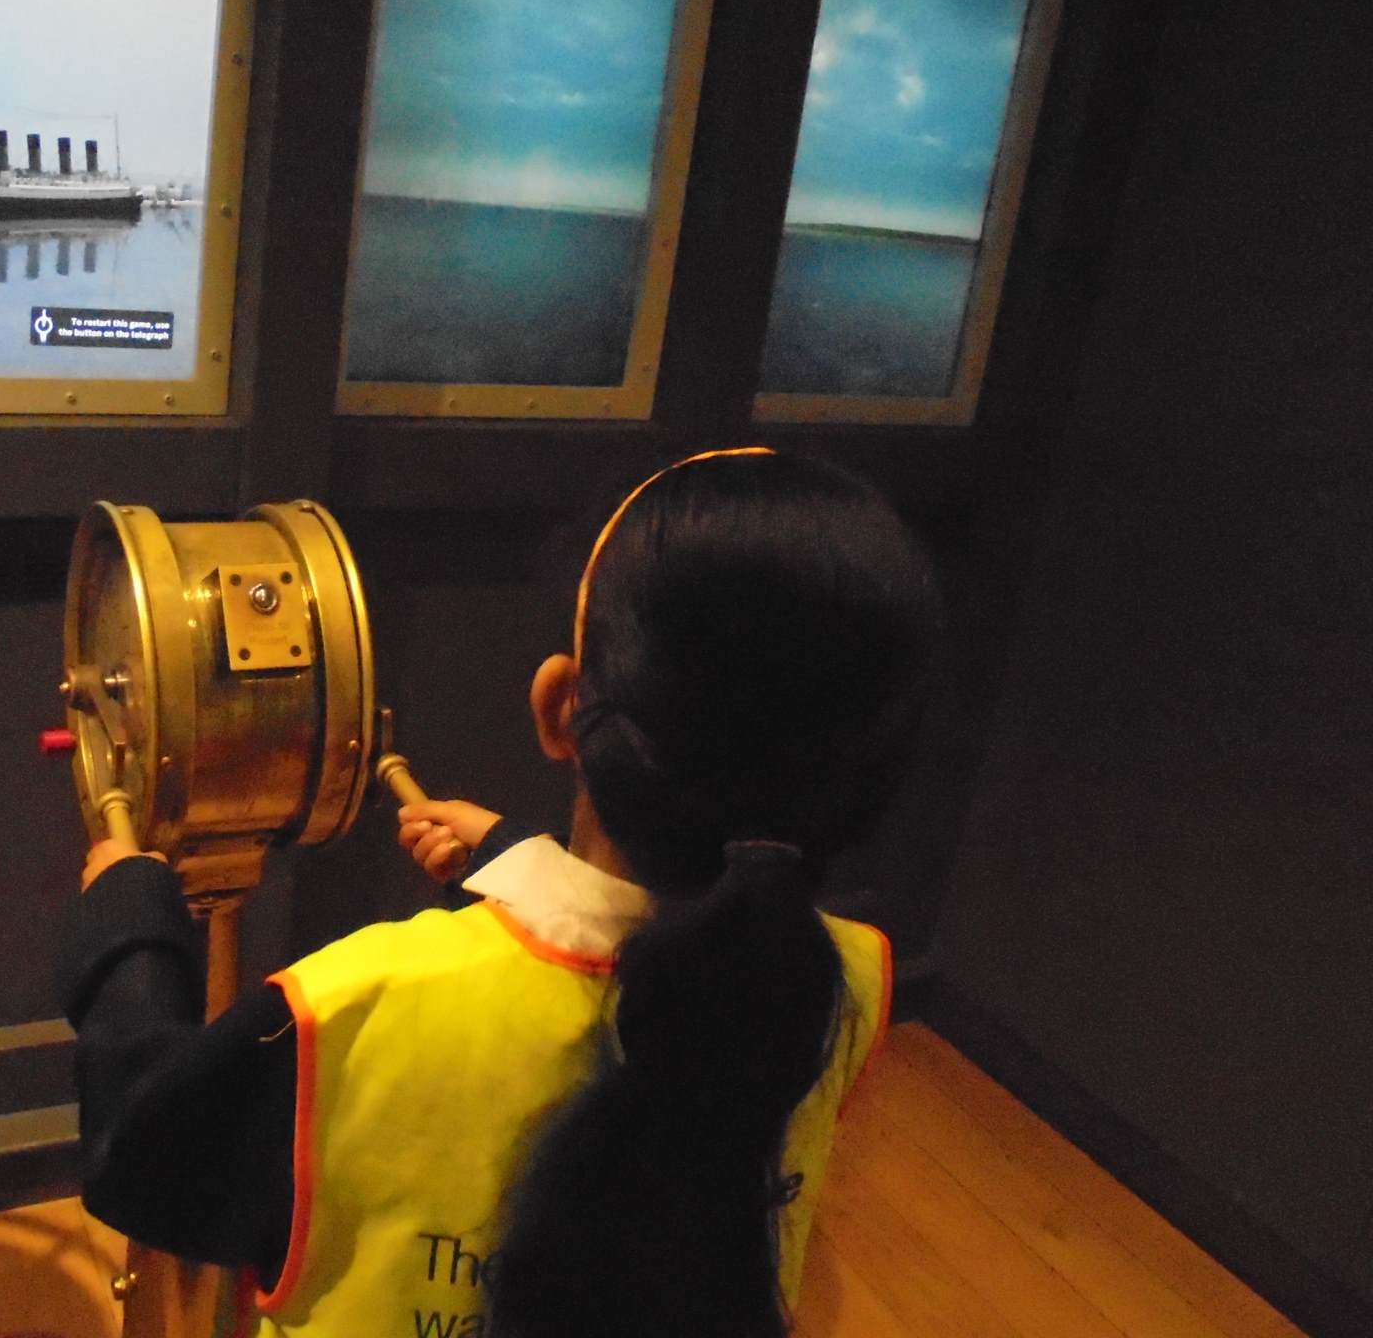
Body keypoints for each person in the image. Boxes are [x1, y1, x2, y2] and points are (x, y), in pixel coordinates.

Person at [58, 448, 939, 1338]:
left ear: (560, 708)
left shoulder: (350, 1012)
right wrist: (518, 862)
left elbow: (142, 1152)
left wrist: (130, 922)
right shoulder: (850, 982)